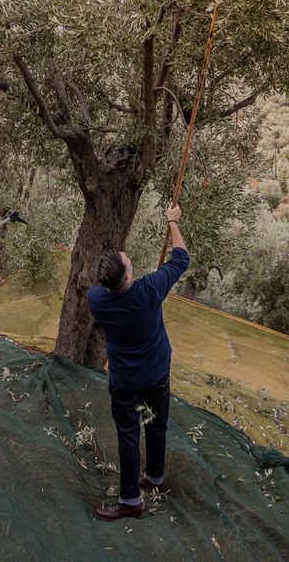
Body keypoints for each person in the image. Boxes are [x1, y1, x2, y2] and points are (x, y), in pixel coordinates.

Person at [88, 202, 189, 521]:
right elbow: (181, 257)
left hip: (125, 380)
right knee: (157, 424)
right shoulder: (151, 288)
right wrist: (173, 222)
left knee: (129, 435)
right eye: (128, 261)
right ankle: (150, 484)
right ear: (129, 275)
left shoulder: (96, 300)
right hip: (158, 370)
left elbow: (117, 293)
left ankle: (133, 496)